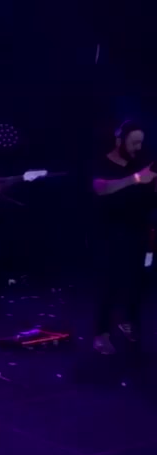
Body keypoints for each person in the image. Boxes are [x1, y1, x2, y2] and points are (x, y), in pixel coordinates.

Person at [91, 120, 156, 355]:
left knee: (139, 280)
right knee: (110, 282)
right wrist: (136, 178)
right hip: (112, 231)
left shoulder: (143, 159)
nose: (138, 147)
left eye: (141, 142)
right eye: (133, 142)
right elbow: (101, 188)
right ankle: (102, 333)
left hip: (141, 229)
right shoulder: (103, 161)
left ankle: (129, 321)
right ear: (120, 140)